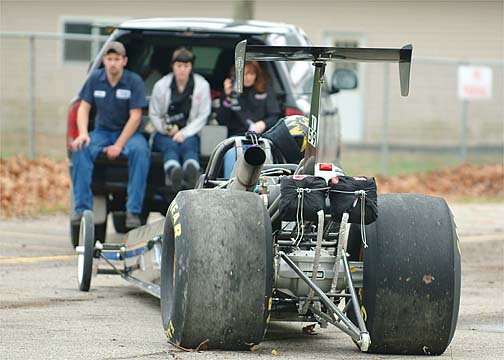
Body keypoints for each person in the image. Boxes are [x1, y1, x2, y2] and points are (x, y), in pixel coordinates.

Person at [71, 41, 150, 229]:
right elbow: (83, 108)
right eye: (109, 59)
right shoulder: (94, 79)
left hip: (128, 134)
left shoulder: (134, 81)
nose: (113, 63)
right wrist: (83, 134)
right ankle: (82, 209)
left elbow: (136, 117)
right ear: (104, 61)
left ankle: (133, 211)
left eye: (117, 59)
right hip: (101, 132)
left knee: (142, 151)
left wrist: (119, 145)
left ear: (124, 61)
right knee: (80, 147)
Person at [149, 48, 211, 191]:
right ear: (173, 66)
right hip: (164, 132)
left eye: (186, 66)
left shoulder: (202, 86)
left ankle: (191, 172)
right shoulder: (161, 85)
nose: (182, 70)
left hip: (189, 132)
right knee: (169, 146)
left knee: (190, 146)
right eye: (179, 66)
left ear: (191, 67)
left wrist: (183, 133)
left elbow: (203, 116)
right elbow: (154, 113)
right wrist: (166, 129)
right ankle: (174, 172)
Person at [216, 61, 281, 177]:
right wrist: (228, 97)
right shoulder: (231, 93)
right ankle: (229, 185)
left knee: (265, 154)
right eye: (244, 74)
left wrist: (263, 124)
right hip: (237, 138)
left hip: (260, 138)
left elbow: (275, 116)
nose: (248, 77)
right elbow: (221, 120)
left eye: (251, 74)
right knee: (230, 154)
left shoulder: (266, 90)